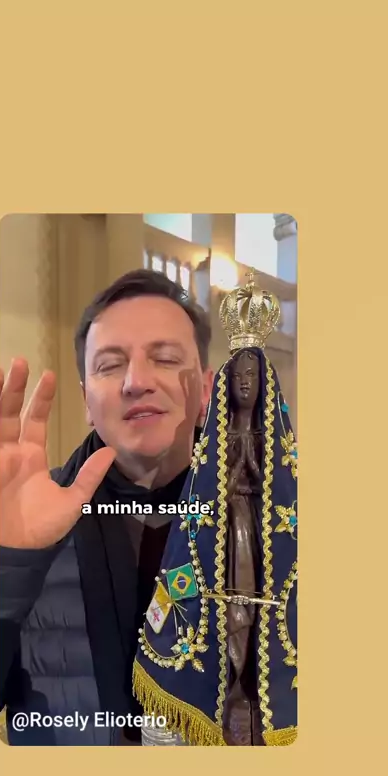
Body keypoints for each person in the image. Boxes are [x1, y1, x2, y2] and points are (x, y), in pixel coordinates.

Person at [0, 269, 214, 745]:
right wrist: (6, 566)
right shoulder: (24, 518)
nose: (136, 381)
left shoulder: (271, 524)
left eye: (165, 358)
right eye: (110, 365)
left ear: (206, 389)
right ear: (86, 401)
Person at [133, 271, 298, 746]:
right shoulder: (215, 443)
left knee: (258, 596)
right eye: (238, 378)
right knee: (225, 595)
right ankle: (223, 682)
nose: (245, 386)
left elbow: (272, 481)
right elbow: (214, 483)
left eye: (252, 379)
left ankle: (251, 688)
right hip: (228, 521)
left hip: (258, 522)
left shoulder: (268, 437)